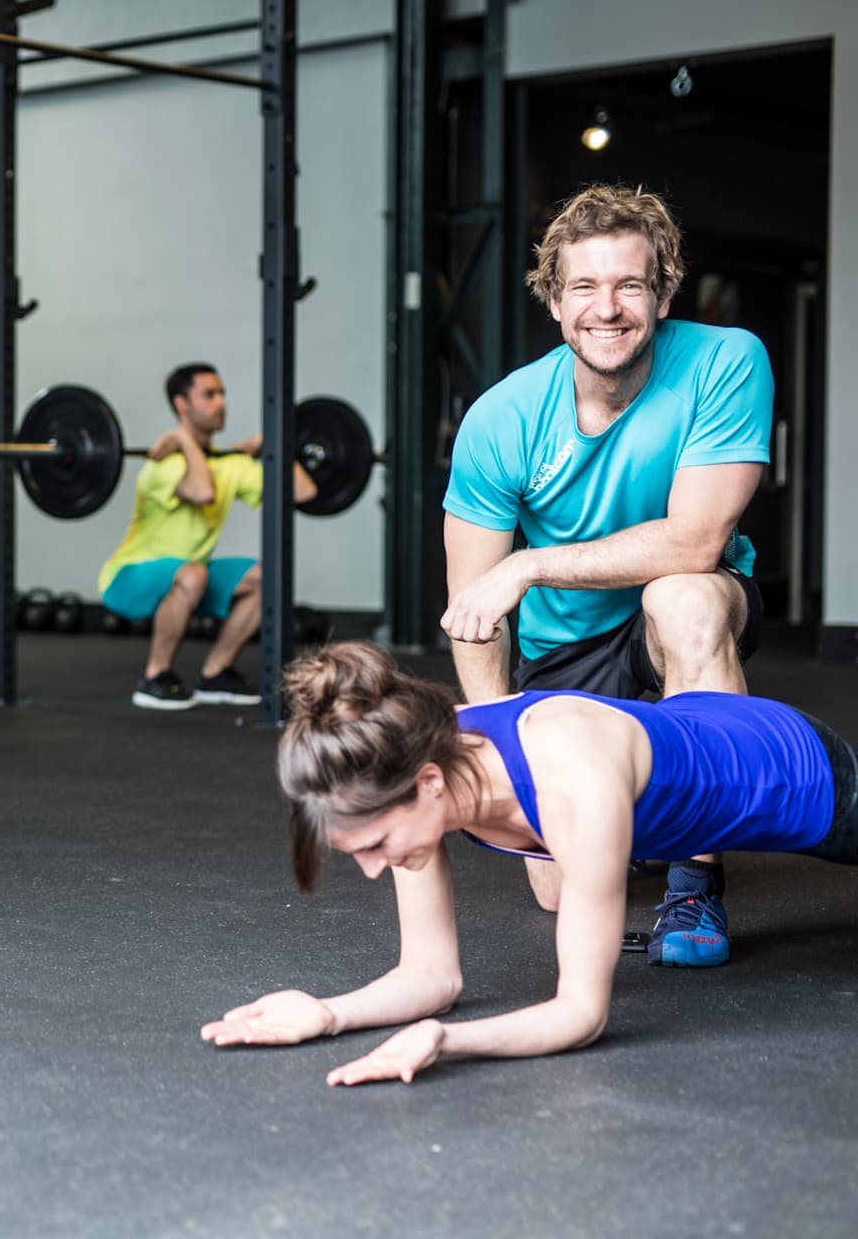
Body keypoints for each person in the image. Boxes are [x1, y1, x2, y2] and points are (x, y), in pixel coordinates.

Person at [201, 641, 857, 1087]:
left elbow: (581, 1014)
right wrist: (328, 1013)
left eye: (375, 847)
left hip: (789, 769)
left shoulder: (574, 785)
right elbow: (430, 976)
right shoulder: (409, 761)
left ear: (429, 785)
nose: (376, 869)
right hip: (691, 727)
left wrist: (447, 1041)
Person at [442, 184, 772, 966]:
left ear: (663, 294)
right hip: (566, 644)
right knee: (562, 890)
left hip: (684, 607)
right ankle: (641, 798)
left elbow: (696, 540)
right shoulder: (502, 419)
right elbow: (475, 612)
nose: (608, 308)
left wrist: (530, 563)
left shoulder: (725, 360)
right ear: (555, 302)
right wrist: (508, 766)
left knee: (684, 598)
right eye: (585, 286)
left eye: (630, 284)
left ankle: (695, 885)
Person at [97, 363, 317, 710]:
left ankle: (215, 673)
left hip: (191, 575)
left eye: (222, 394)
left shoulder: (230, 464)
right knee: (193, 573)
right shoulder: (163, 463)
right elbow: (203, 492)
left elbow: (304, 492)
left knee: (269, 577)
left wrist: (274, 447)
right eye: (209, 395)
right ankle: (155, 677)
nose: (221, 403)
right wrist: (184, 439)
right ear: (182, 405)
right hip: (128, 578)